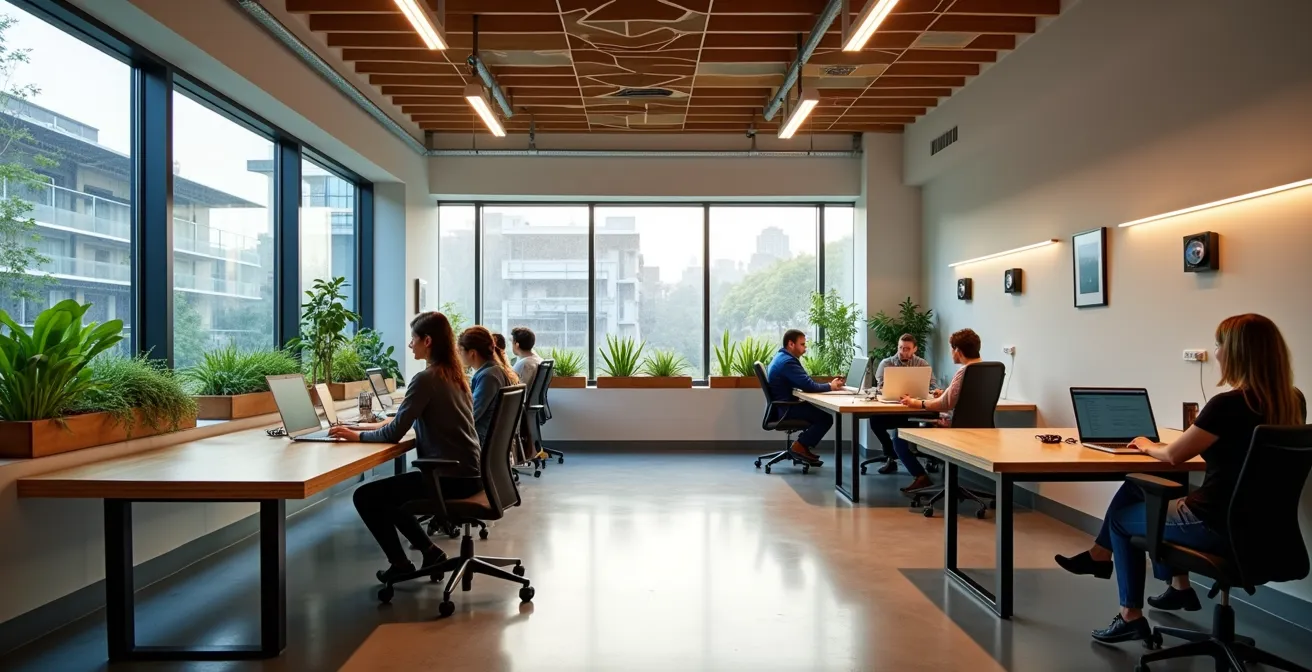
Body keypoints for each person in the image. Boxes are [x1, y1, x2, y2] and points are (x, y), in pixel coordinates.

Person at [1054, 314, 1306, 645]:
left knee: (1119, 518)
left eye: (1219, 345)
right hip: (1268, 534)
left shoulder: (1227, 405)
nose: (1215, 352)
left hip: (1213, 525)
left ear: (1236, 352)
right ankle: (1177, 587)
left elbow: (1174, 456)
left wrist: (1145, 444)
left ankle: (1129, 614)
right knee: (1138, 487)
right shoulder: (1292, 401)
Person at [327, 312, 483, 583]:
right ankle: (430, 552)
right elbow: (401, 423)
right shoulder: (454, 376)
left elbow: (396, 432)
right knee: (393, 496)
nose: (410, 345)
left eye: (413, 339)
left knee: (365, 496)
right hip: (469, 473)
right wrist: (370, 428)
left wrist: (356, 436)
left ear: (427, 340)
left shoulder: (427, 378)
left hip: (449, 478)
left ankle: (400, 564)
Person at [893, 328, 983, 492]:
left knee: (898, 435)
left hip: (951, 427)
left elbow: (945, 404)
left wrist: (916, 403)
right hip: (977, 430)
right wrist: (945, 393)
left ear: (958, 350)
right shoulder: (985, 369)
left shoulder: (964, 371)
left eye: (952, 349)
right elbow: (964, 398)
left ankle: (921, 477)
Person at [766, 329, 844, 465]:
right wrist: (830, 386)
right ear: (791, 344)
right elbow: (809, 386)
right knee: (825, 418)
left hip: (782, 406)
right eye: (802, 345)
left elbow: (804, 382)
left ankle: (802, 446)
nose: (805, 349)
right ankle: (800, 446)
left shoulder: (781, 357)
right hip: (787, 409)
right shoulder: (788, 362)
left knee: (820, 414)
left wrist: (824, 386)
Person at [868, 333, 938, 475]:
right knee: (874, 421)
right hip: (894, 409)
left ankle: (931, 460)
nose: (902, 351)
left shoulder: (922, 365)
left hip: (915, 409)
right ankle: (891, 455)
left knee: (933, 419)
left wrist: (934, 391)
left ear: (914, 349)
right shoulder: (886, 364)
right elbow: (881, 387)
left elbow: (932, 386)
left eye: (907, 348)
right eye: (900, 348)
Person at [459, 325, 520, 446]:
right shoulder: (496, 370)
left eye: (460, 350)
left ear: (472, 353)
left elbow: (472, 415)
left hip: (480, 440)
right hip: (492, 440)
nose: (458, 355)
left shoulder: (488, 377)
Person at [510, 326, 544, 392]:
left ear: (517, 345)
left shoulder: (524, 364)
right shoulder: (538, 360)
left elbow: (514, 390)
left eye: (512, 343)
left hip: (520, 401)